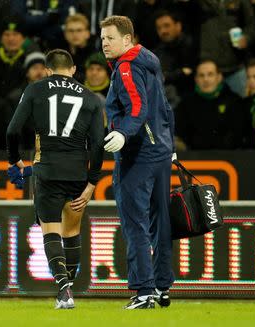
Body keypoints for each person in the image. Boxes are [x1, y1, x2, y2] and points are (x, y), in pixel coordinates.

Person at [6, 49, 105, 309]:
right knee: (71, 230)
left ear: (48, 70)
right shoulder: (91, 97)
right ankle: (68, 288)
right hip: (77, 171)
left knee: (51, 230)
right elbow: (97, 145)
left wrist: (14, 160)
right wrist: (92, 182)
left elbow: (13, 130)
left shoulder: (36, 89)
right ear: (73, 70)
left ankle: (64, 290)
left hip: (47, 169)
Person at [100, 15, 175, 309]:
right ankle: (161, 287)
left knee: (135, 225)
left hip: (138, 154)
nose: (104, 43)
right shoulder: (149, 61)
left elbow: (138, 107)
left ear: (127, 40)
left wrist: (123, 133)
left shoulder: (127, 67)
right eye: (102, 38)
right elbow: (165, 107)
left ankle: (143, 292)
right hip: (161, 150)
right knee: (161, 222)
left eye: (110, 38)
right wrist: (170, 143)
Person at [174, 59, 244, 150]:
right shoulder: (186, 104)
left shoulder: (234, 102)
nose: (206, 79)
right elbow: (180, 135)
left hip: (229, 158)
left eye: (210, 74)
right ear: (196, 79)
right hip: (194, 158)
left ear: (219, 77)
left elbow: (238, 134)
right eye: (201, 75)